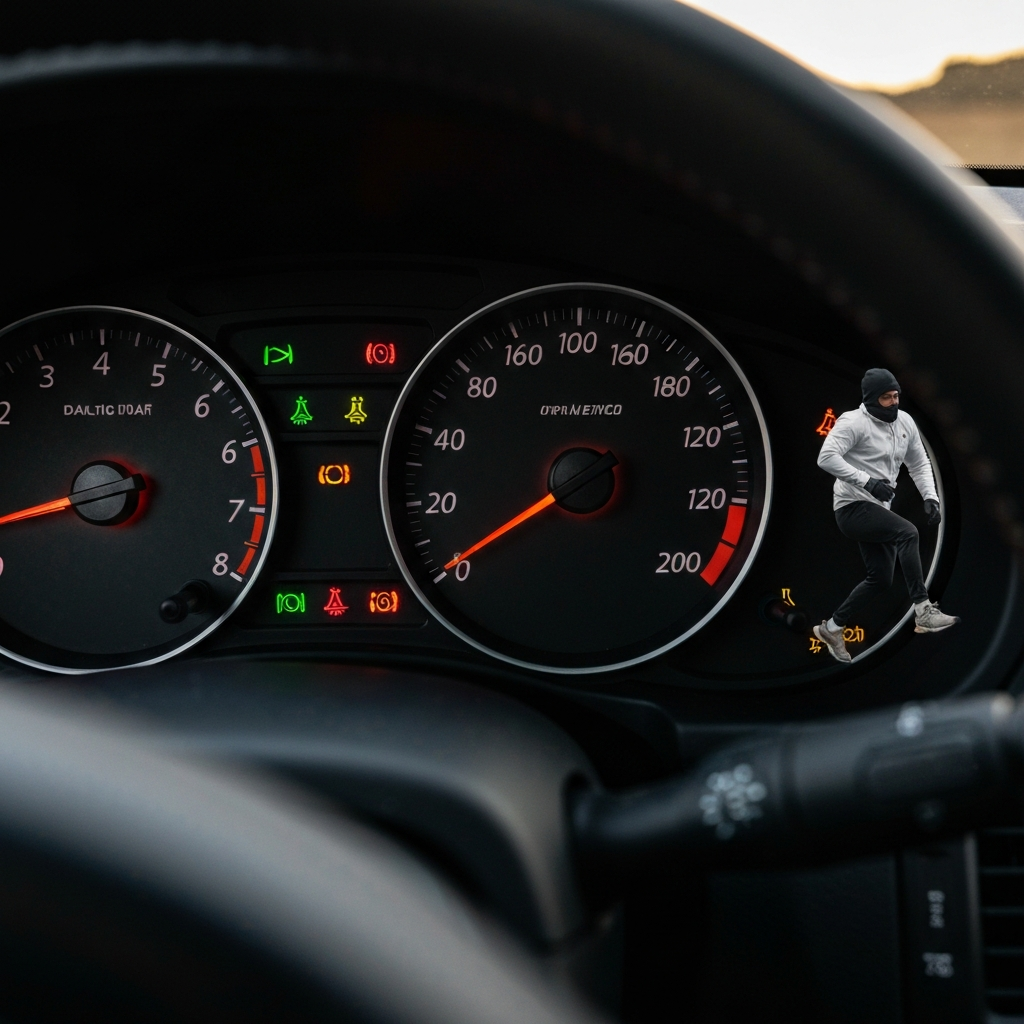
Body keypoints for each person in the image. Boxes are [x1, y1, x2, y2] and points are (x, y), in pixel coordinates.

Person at [813, 368, 958, 664]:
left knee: (880, 579)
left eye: (896, 396)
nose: (893, 402)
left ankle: (831, 627)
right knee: (908, 533)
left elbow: (918, 463)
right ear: (870, 399)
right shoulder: (853, 422)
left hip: (878, 509)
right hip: (851, 507)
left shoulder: (904, 422)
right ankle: (923, 610)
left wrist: (930, 497)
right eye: (886, 397)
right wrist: (866, 482)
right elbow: (826, 457)